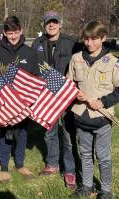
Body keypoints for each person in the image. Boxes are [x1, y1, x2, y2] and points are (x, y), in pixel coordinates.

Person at [66, 21, 119, 199]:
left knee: (103, 157)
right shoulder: (76, 58)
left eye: (94, 39)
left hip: (101, 119)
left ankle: (106, 191)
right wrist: (74, 94)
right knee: (85, 154)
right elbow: (68, 84)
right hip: (80, 117)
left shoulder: (113, 62)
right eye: (86, 39)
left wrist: (103, 101)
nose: (89, 43)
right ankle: (86, 187)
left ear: (103, 38)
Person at [31, 10, 81, 188]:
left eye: (54, 22)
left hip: (66, 96)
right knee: (49, 133)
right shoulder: (37, 43)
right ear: (44, 25)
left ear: (60, 24)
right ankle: (52, 163)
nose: (51, 25)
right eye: (48, 22)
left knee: (67, 135)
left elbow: (82, 63)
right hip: (46, 96)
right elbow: (32, 68)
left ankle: (69, 170)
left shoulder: (72, 44)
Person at [0, 16, 40, 182]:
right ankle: (4, 167)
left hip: (24, 102)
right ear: (4, 33)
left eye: (16, 32)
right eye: (9, 33)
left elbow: (36, 76)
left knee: (22, 133)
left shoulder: (29, 52)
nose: (13, 36)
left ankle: (20, 164)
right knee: (5, 133)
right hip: (5, 102)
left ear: (21, 31)